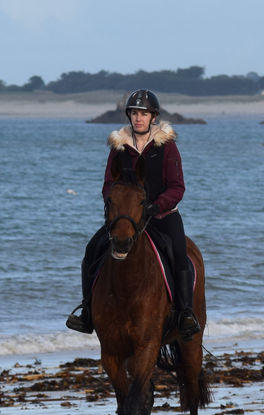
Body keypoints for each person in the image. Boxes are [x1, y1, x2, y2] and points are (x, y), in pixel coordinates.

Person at [66, 88, 200, 338]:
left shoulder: (167, 147)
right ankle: (87, 312)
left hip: (161, 216)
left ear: (153, 117)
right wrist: (116, 206)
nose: (139, 118)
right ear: (129, 116)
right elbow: (108, 184)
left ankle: (185, 313)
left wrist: (156, 206)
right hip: (126, 219)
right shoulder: (119, 147)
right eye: (135, 113)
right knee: (92, 250)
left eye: (144, 114)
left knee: (180, 255)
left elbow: (177, 187)